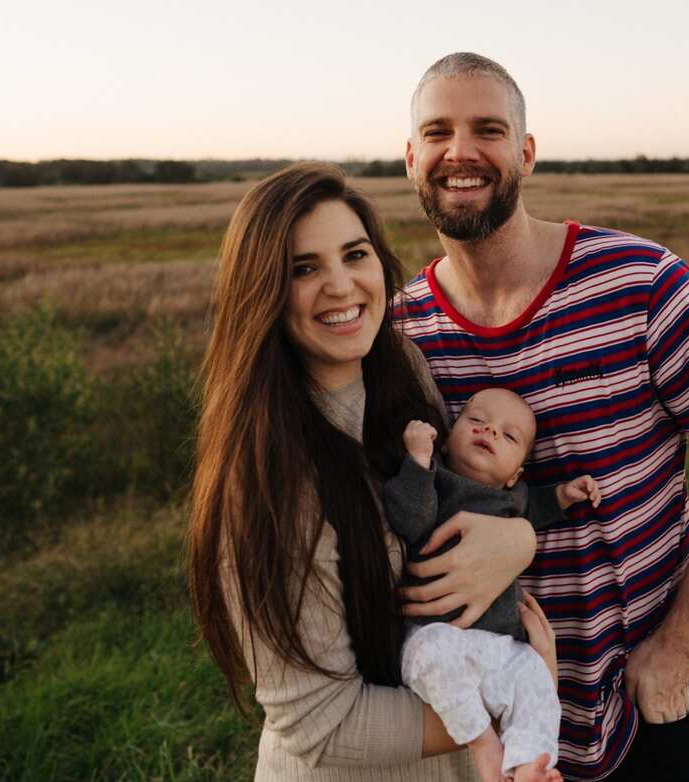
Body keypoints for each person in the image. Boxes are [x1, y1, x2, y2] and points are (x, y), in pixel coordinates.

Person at [393, 54, 689, 781]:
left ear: (526, 152)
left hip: (642, 700)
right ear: (411, 157)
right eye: (438, 132)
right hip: (477, 724)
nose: (462, 152)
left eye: (488, 129)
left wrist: (677, 648)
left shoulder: (641, 283)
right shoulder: (400, 332)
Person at [186, 162, 564, 782]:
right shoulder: (268, 487)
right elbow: (325, 730)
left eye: (354, 254)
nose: (341, 285)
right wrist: (522, 696)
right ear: (262, 294)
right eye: (303, 268)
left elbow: (456, 492)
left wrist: (518, 537)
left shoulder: (404, 369)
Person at [385, 387, 602, 781]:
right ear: (447, 438)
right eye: (476, 421)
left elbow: (535, 507)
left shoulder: (512, 498)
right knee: (432, 652)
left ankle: (530, 765)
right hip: (435, 634)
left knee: (535, 676)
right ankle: (484, 744)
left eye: (509, 435)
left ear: (515, 474)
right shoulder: (437, 481)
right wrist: (418, 460)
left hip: (499, 645)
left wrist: (564, 496)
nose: (490, 431)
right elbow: (410, 519)